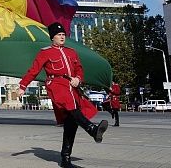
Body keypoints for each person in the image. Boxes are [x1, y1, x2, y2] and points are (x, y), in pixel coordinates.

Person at [18, 22, 108, 168]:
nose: (62, 37)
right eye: (59, 35)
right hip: (56, 85)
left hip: (72, 87)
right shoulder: (45, 52)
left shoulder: (71, 51)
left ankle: (65, 158)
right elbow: (33, 71)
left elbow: (79, 68)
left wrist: (78, 79)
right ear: (52, 37)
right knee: (71, 106)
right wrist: (23, 86)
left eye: (63, 35)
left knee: (71, 123)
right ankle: (92, 129)